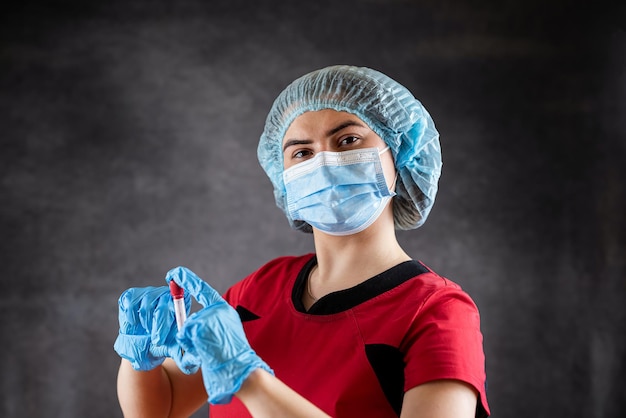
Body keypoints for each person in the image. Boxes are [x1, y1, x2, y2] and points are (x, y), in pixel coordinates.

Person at [114, 65, 490, 418]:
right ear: (284, 176)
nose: (324, 163)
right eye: (302, 152)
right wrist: (139, 358)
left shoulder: (436, 312)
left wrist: (250, 379)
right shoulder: (259, 290)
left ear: (402, 154)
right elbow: (160, 408)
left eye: (347, 140)